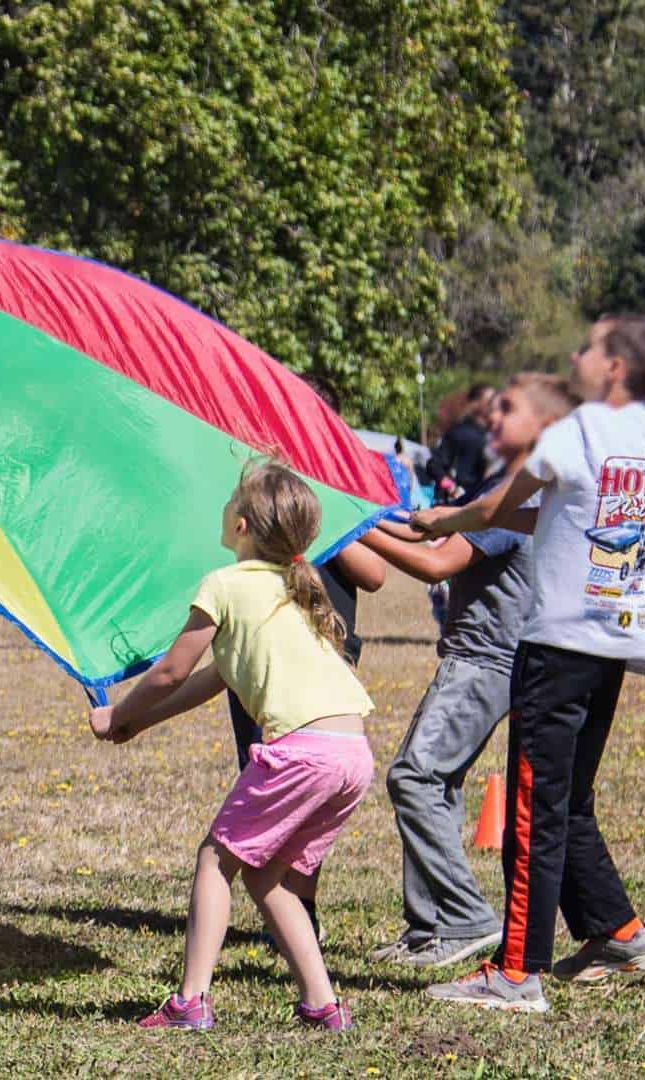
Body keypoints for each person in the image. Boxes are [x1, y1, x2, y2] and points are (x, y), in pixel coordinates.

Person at [415, 317, 645, 1013]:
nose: (575, 356)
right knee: (568, 802)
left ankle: (514, 974)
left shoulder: (576, 431)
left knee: (533, 813)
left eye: (589, 347)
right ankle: (617, 932)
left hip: (559, 648)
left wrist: (444, 522)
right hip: (615, 645)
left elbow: (502, 507)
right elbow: (572, 513)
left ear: (615, 367)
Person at [90, 460, 374, 1033]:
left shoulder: (223, 585)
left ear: (240, 524)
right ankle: (323, 1006)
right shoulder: (294, 587)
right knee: (265, 877)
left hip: (301, 751)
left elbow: (172, 671)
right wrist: (137, 724)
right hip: (352, 753)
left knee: (215, 859)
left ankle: (190, 1001)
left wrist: (119, 711)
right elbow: (212, 678)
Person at [360, 374, 578, 969]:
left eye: (508, 409)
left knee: (414, 777)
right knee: (438, 783)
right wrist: (368, 518)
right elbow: (426, 530)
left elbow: (434, 564)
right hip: (489, 656)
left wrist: (358, 530)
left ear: (544, 428)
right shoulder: (515, 490)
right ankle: (427, 927)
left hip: (483, 659)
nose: (490, 416)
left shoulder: (512, 496)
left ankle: (463, 918)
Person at [225, 542, 384, 941]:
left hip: (322, 655)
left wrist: (315, 531)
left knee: (303, 794)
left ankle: (299, 907)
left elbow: (373, 574)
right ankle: (281, 908)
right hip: (259, 652)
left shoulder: (329, 504)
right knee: (265, 778)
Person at [428, 383, 497, 503]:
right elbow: (434, 466)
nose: (495, 404)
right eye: (490, 401)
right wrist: (452, 488)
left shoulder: (493, 436)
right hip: (453, 503)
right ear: (475, 403)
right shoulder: (459, 433)